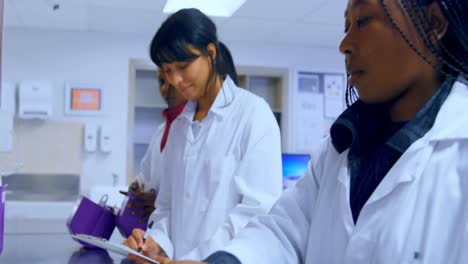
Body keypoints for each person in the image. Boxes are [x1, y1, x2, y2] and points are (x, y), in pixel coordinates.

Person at [150, 0, 468, 263]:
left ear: (434, 23)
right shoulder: (338, 149)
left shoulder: (458, 150)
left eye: (364, 21)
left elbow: (255, 209)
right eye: (346, 26)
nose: (345, 44)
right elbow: (283, 230)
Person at [124, 7, 283, 262]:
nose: (174, 80)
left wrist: (200, 259)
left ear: (211, 53)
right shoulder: (178, 127)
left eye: (183, 66)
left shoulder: (253, 115)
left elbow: (257, 214)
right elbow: (166, 207)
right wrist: (156, 244)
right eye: (166, 69)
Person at [120, 72, 188, 234]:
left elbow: (195, 192)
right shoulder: (161, 130)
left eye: (171, 83)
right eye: (161, 82)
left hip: (181, 231)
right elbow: (146, 173)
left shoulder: (195, 129)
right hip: (154, 229)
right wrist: (137, 186)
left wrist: (160, 202)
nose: (165, 89)